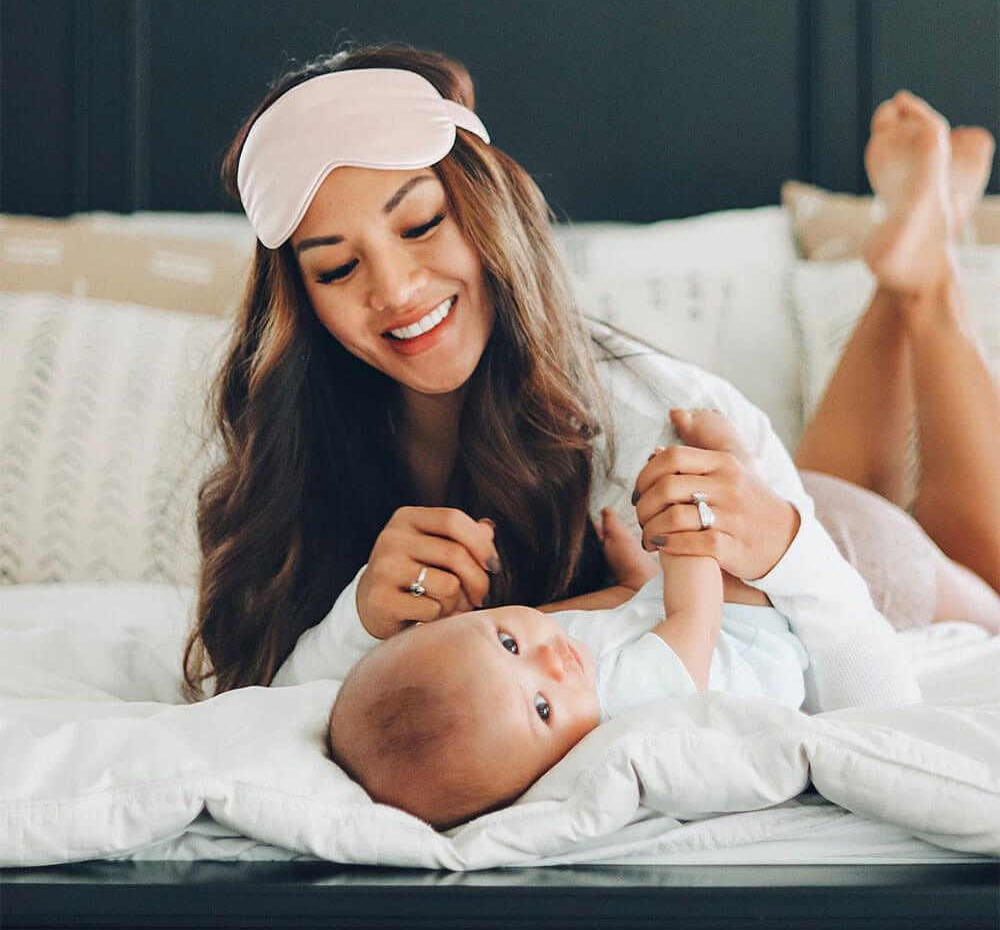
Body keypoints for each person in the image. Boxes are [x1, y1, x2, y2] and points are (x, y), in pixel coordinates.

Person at [182, 43, 998, 714]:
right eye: (336, 268)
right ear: (301, 302)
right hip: (776, 507)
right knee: (833, 473)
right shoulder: (296, 445)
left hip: (842, 545)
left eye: (422, 224)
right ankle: (916, 252)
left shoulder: (661, 413)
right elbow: (246, 708)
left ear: (489, 210)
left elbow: (882, 708)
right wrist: (355, 623)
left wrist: (792, 547)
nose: (393, 290)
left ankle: (924, 284)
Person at [327, 408, 811, 830]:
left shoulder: (552, 685)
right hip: (742, 635)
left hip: (664, 631)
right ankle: (737, 458)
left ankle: (632, 587)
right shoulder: (623, 706)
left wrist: (629, 590)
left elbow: (563, 626)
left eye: (507, 644)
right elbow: (695, 619)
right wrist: (681, 526)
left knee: (556, 626)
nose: (551, 663)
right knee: (727, 556)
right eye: (542, 709)